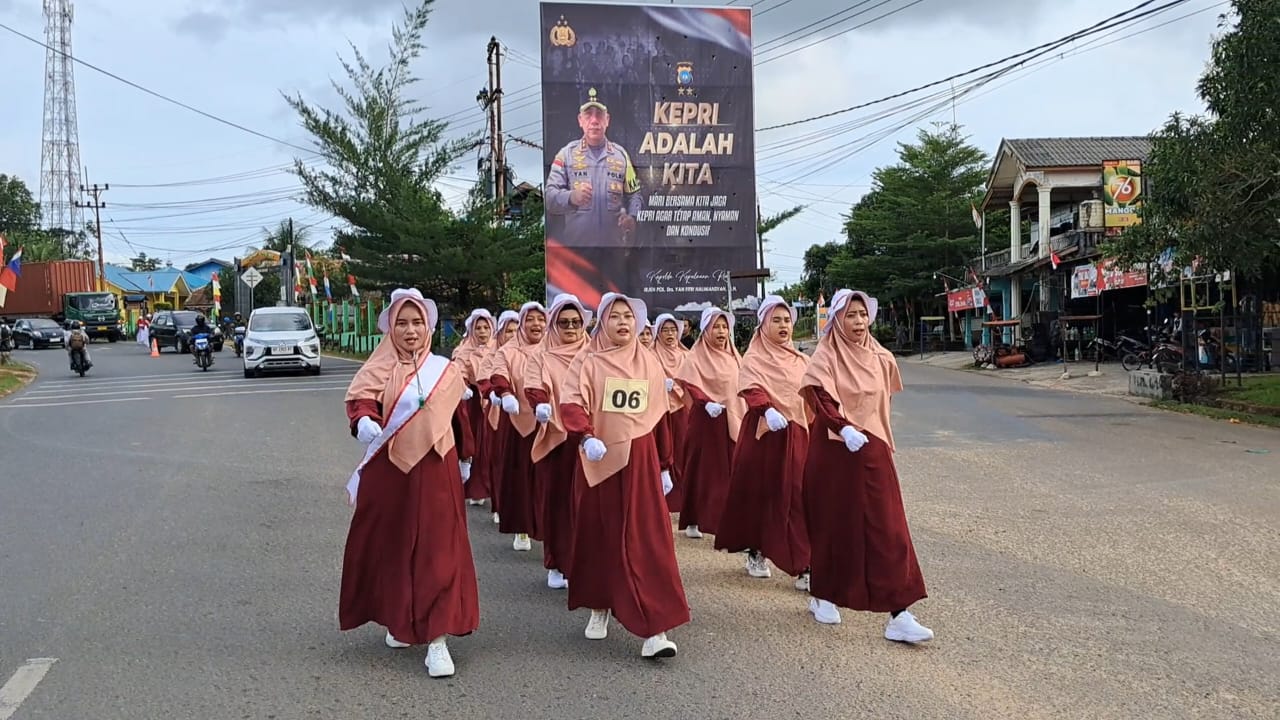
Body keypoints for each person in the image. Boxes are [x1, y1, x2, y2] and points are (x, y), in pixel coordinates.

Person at [341, 288, 480, 678]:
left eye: (417, 322)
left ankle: (437, 639)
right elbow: (362, 402)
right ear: (390, 329)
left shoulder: (444, 370)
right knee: (393, 546)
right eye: (401, 323)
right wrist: (363, 421)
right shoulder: (377, 367)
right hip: (391, 472)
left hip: (437, 469)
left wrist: (466, 458)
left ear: (428, 327)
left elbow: (459, 419)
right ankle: (399, 617)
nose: (410, 330)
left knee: (438, 549)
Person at [559, 292, 688, 659]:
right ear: (602, 321)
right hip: (601, 460)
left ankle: (655, 627)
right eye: (614, 316)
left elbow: (659, 416)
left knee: (646, 539)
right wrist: (585, 436)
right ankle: (599, 605)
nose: (622, 323)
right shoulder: (587, 361)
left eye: (628, 316)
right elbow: (571, 403)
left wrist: (665, 464)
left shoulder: (648, 362)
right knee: (600, 534)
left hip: (641, 462)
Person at [800, 289, 932, 643]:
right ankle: (824, 594)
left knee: (888, 527)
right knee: (834, 524)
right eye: (850, 315)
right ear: (836, 320)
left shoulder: (881, 357)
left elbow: (883, 403)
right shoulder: (825, 357)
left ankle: (899, 612)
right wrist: (843, 427)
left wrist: (871, 434)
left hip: (872, 448)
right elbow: (821, 399)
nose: (858, 322)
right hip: (834, 451)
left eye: (862, 314)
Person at [715, 295, 812, 588]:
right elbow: (751, 388)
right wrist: (767, 409)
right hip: (764, 436)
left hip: (797, 434)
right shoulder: (754, 358)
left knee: (799, 496)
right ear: (764, 325)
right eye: (776, 320)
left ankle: (803, 565)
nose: (783, 325)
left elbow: (814, 394)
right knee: (762, 495)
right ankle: (757, 550)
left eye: (787, 320)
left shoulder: (802, 360)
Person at [524, 293, 591, 590]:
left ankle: (586, 563)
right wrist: (539, 403)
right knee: (559, 502)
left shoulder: (594, 354)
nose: (571, 328)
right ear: (554, 325)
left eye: (576, 322)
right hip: (558, 437)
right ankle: (556, 561)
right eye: (564, 323)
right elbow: (534, 384)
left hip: (590, 438)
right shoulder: (542, 356)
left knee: (588, 505)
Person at [674, 307, 744, 539]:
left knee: (729, 470)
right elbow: (691, 385)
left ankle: (724, 519)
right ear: (705, 330)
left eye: (724, 327)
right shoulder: (695, 357)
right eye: (716, 327)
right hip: (706, 421)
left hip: (731, 418)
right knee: (703, 471)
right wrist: (706, 402)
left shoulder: (734, 356)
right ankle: (696, 518)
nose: (721, 331)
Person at [544, 88, 642, 248]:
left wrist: (632, 217)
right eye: (588, 115)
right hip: (577, 252)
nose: (594, 121)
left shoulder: (621, 155)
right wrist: (571, 197)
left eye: (600, 115)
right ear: (580, 120)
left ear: (607, 120)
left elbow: (635, 194)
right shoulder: (566, 154)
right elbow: (549, 198)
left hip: (613, 253)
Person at [491, 302, 549, 552]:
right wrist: (505, 394)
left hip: (549, 422)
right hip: (518, 420)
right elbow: (498, 374)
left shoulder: (553, 348)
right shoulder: (508, 351)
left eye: (541, 319)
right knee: (520, 476)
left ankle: (549, 529)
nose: (536, 324)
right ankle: (522, 527)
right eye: (530, 319)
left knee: (548, 478)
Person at [477, 310, 520, 525]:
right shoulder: (493, 356)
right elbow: (484, 380)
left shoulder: (531, 354)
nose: (512, 335)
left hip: (526, 415)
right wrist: (494, 394)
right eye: (508, 331)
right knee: (499, 459)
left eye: (516, 331)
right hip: (499, 413)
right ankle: (500, 503)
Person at [452, 309, 496, 507]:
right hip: (474, 402)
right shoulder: (464, 351)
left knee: (494, 446)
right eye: (478, 328)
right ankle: (476, 488)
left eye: (486, 327)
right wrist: (463, 387)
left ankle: (495, 488)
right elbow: (458, 372)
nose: (482, 331)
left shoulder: (498, 349)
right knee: (477, 444)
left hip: (496, 401)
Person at [651, 313, 690, 513]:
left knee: (683, 450)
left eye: (673, 330)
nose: (669, 334)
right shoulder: (650, 355)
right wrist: (659, 384)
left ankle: (683, 497)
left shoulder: (685, 356)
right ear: (658, 333)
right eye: (665, 330)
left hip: (682, 409)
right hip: (660, 410)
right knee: (665, 449)